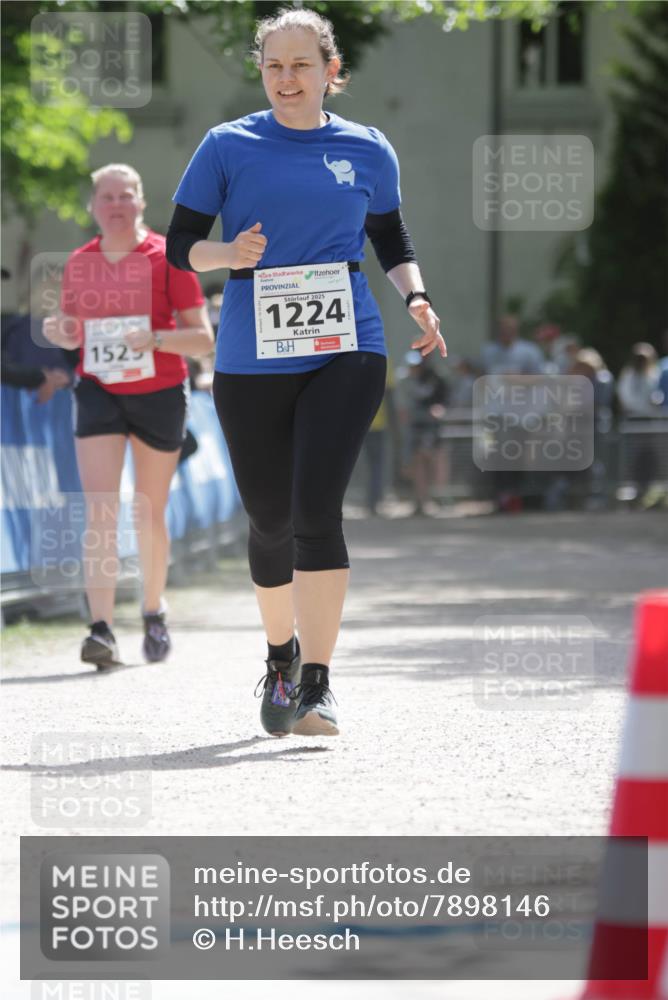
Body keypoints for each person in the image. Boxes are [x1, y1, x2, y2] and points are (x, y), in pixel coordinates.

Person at [166, 7, 446, 737]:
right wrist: (228, 256)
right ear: (262, 72)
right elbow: (181, 244)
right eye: (274, 66)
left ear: (330, 71)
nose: (287, 79)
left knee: (317, 512)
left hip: (346, 343)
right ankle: (281, 655)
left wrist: (416, 296)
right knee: (270, 519)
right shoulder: (228, 145)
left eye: (301, 65)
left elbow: (389, 233)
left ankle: (317, 684)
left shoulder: (368, 146)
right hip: (250, 352)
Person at [43, 163, 213, 669]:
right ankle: (100, 629)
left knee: (148, 510)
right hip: (99, 390)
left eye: (125, 196)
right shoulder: (78, 262)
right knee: (100, 511)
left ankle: (153, 609)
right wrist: (64, 333)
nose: (116, 205)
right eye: (106, 197)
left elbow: (204, 340)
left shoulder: (168, 257)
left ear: (140, 202)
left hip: (159, 391)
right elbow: (75, 330)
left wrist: (156, 339)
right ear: (94, 206)